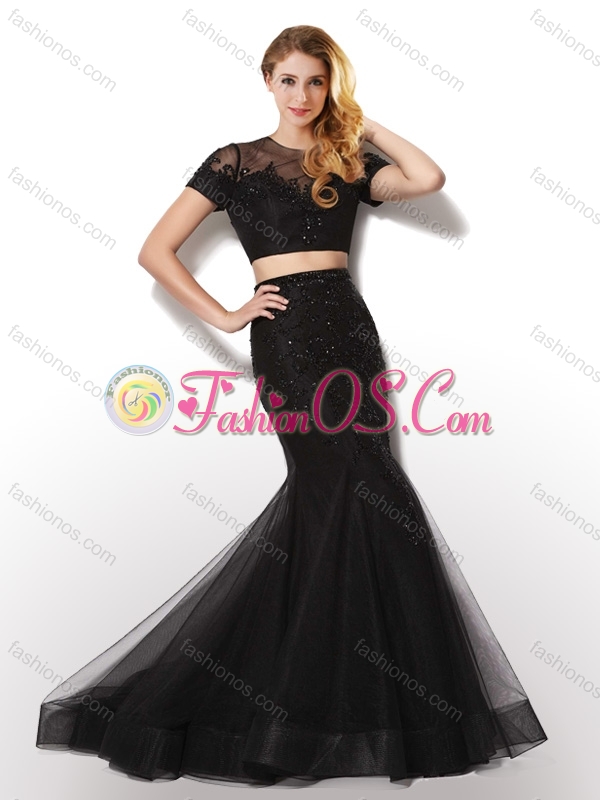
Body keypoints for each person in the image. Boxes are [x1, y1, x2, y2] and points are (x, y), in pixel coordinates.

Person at [36, 25, 547, 785]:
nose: (302, 95)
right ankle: (285, 701)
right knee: (339, 489)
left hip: (349, 331)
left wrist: (361, 121)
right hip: (287, 337)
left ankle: (331, 702)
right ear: (267, 82)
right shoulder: (234, 162)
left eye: (316, 81)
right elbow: (154, 250)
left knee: (362, 497)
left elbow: (429, 176)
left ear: (329, 86)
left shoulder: (346, 161)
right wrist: (225, 314)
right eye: (289, 81)